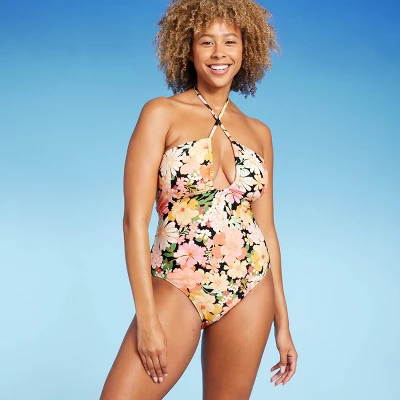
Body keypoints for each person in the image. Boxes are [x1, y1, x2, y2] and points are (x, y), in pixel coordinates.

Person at [100, 0, 298, 399]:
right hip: (178, 281)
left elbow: (268, 231)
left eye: (230, 41)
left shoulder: (260, 133)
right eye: (207, 41)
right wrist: (147, 318)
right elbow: (133, 222)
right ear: (187, 50)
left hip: (250, 285)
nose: (219, 53)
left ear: (246, 49)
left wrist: (284, 323)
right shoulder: (161, 113)